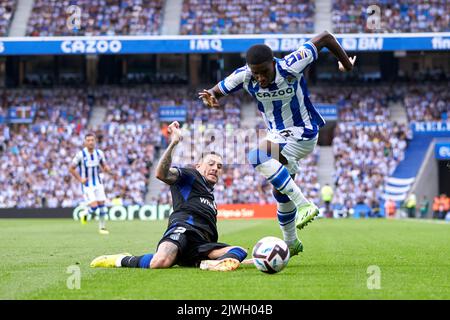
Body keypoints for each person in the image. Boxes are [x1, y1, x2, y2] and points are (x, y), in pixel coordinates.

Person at [199, 30, 356, 256]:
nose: (260, 78)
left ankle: (305, 205)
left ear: (273, 63)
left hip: (303, 133)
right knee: (280, 192)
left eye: (264, 72)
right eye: (256, 74)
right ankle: (291, 243)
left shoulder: (291, 65)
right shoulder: (244, 75)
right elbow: (217, 90)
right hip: (277, 135)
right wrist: (211, 97)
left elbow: (325, 37)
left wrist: (346, 64)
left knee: (256, 156)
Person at [90, 121, 247, 271]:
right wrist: (174, 143)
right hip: (183, 230)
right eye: (211, 164)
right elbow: (161, 173)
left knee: (239, 250)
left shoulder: (210, 198)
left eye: (219, 167)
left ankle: (210, 263)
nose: (215, 168)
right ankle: (120, 259)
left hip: (202, 244)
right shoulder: (190, 175)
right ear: (198, 166)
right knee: (161, 261)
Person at [69, 133, 114, 234]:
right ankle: (84, 214)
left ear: (95, 141)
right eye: (88, 140)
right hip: (87, 185)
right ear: (85, 142)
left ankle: (102, 228)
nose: (90, 142)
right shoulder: (80, 155)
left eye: (92, 140)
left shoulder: (99, 153)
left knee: (102, 205)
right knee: (94, 207)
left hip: (98, 183)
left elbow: (104, 165)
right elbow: (71, 168)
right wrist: (80, 179)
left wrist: (109, 171)